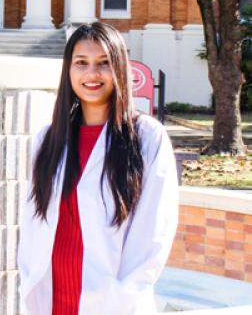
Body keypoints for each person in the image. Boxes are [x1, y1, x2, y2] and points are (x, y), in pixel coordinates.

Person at [18, 22, 179, 315]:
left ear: (119, 69)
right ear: (68, 71)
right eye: (81, 63)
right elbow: (32, 223)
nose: (92, 73)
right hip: (52, 301)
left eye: (103, 63)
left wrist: (122, 297)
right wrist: (27, 278)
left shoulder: (146, 138)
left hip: (112, 303)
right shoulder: (49, 139)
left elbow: (153, 232)